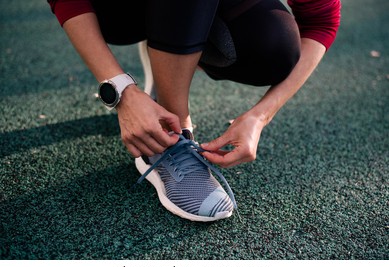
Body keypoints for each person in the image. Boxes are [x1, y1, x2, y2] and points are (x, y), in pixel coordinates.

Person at [47, 0, 341, 222]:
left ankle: (166, 65)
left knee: (274, 45)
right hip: (117, 9)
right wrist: (121, 89)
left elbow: (320, 22)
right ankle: (170, 139)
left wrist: (259, 116)